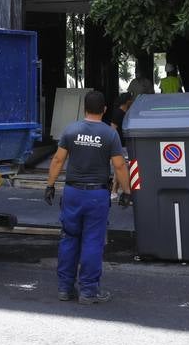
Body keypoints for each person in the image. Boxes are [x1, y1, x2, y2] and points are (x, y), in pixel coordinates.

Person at [44, 89, 130, 303]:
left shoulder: (71, 130)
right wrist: (127, 192)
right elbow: (119, 165)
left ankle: (65, 288)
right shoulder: (110, 134)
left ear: (84, 108)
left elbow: (57, 160)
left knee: (69, 238)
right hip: (96, 195)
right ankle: (89, 291)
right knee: (92, 241)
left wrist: (50, 185)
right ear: (104, 110)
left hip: (72, 193)